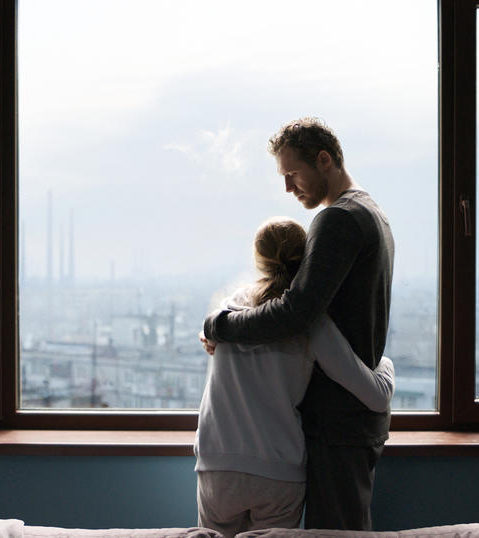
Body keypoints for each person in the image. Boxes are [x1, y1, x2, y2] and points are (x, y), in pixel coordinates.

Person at [202, 118, 395, 531]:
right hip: (355, 409)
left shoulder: (337, 219)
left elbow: (296, 312)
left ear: (324, 160)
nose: (288, 188)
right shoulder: (373, 213)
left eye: (292, 174)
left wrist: (220, 325)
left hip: (337, 420)